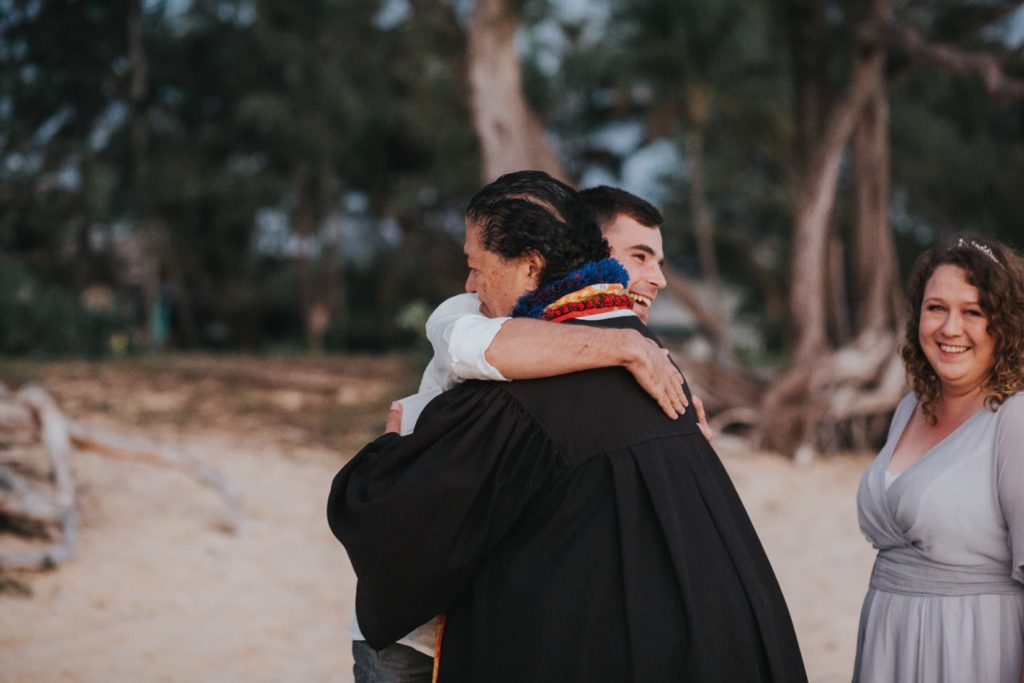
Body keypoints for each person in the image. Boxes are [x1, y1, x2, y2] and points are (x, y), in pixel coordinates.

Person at [330, 170, 807, 682]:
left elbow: (397, 522)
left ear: (530, 266)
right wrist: (624, 347)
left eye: (476, 266)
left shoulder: (537, 391)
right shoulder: (636, 356)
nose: (469, 282)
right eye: (639, 256)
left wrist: (390, 450)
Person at [853, 235, 1024, 682]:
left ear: (1005, 324)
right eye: (936, 308)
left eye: (973, 311)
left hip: (974, 647)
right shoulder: (910, 407)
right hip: (889, 638)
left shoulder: (1015, 418)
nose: (950, 329)